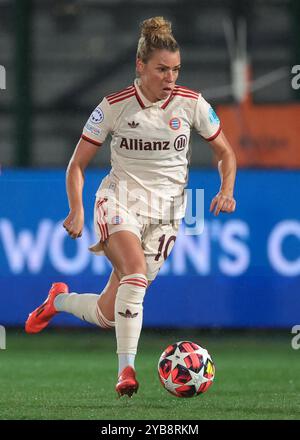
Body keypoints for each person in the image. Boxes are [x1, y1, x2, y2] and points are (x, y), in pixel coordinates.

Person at [25, 16, 237, 397]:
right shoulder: (114, 107)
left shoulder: (192, 105)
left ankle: (58, 299)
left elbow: (225, 152)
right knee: (135, 275)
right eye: (161, 69)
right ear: (141, 66)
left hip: (168, 216)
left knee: (110, 313)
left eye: (175, 69)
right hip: (119, 201)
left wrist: (226, 188)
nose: (170, 77)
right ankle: (126, 373)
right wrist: (76, 209)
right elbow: (77, 164)